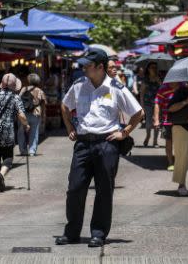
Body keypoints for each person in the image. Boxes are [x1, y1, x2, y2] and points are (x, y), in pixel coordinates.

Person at [56, 48, 144, 248]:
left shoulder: (115, 87)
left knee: (104, 191)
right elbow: (64, 105)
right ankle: (72, 233)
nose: (84, 68)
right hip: (82, 144)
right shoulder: (79, 85)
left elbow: (138, 112)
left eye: (88, 65)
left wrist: (125, 132)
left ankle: (98, 233)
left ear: (100, 67)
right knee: (75, 188)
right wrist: (70, 127)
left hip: (107, 143)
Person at [0, 73, 30, 192]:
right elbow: (22, 116)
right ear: (14, 86)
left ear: (1, 84)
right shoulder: (15, 97)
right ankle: (2, 175)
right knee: (8, 156)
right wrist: (26, 125)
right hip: (8, 131)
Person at [153, 81, 182, 171]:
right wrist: (156, 119)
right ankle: (170, 163)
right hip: (167, 120)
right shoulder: (163, 88)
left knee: (180, 143)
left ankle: (179, 163)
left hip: (182, 121)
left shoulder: (183, 86)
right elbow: (157, 103)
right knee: (169, 142)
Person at [18, 73, 47, 156]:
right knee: (34, 132)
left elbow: (18, 100)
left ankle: (23, 150)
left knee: (21, 132)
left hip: (23, 113)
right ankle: (32, 151)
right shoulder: (40, 91)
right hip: (36, 113)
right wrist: (44, 116)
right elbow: (44, 104)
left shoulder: (24, 89)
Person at [140, 62, 161, 147]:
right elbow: (142, 93)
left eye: (155, 67)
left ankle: (155, 141)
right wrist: (142, 106)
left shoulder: (159, 78)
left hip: (158, 104)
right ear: (148, 69)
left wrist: (159, 81)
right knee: (148, 123)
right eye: (152, 67)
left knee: (157, 121)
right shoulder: (145, 79)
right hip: (147, 103)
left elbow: (163, 90)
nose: (154, 69)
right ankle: (148, 135)